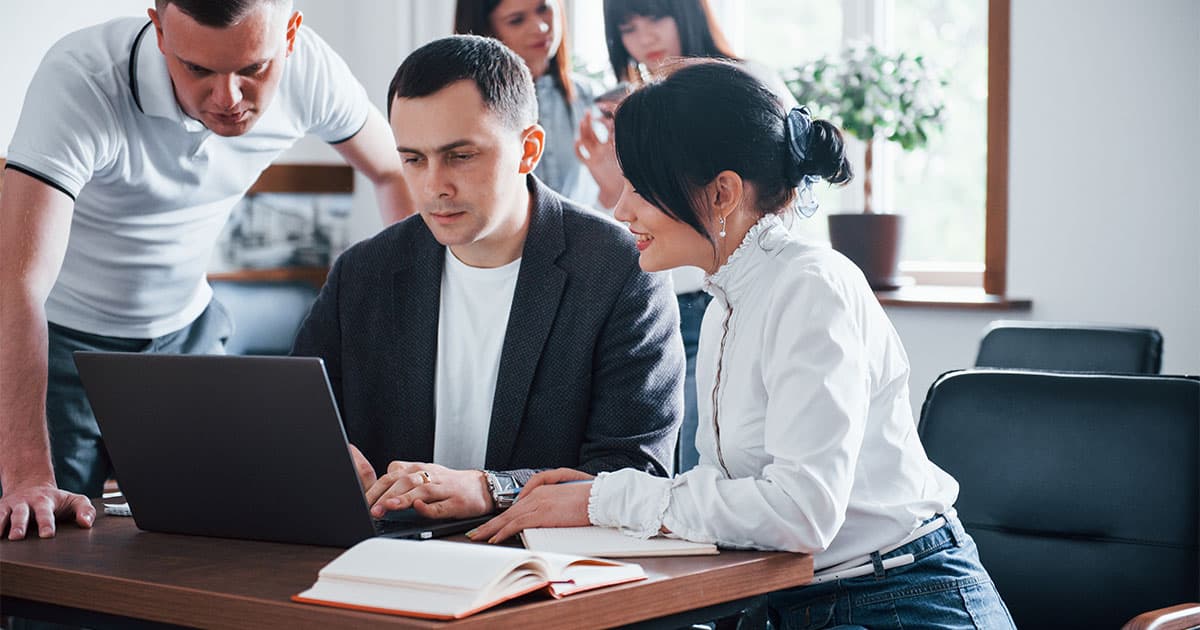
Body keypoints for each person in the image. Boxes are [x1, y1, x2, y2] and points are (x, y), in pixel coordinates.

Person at [471, 61, 1015, 628]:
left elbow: (800, 513)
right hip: (790, 597)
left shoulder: (810, 287)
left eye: (640, 187)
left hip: (899, 600)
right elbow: (736, 499)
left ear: (723, 192)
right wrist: (601, 494)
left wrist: (604, 501)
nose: (620, 208)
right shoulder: (727, 300)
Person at [0, 0, 412, 541]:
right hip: (56, 342)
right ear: (161, 31)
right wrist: (28, 474)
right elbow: (18, 285)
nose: (228, 99)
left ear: (290, 34)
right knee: (51, 548)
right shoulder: (82, 79)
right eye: (198, 70)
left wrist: (413, 315)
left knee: (214, 543)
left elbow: (391, 171)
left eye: (252, 69)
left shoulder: (312, 70)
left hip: (187, 333)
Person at [290, 34, 683, 522]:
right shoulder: (362, 273)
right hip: (385, 557)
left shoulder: (622, 272)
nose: (435, 186)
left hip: (543, 569)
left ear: (529, 150)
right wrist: (315, 457)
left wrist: (493, 489)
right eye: (413, 159)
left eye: (461, 155)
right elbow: (293, 423)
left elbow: (635, 472)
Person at [578, 0, 801, 475]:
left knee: (711, 465)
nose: (645, 38)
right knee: (686, 466)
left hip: (710, 299)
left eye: (655, 17)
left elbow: (776, 206)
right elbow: (635, 217)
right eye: (628, 28)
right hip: (674, 301)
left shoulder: (744, 86)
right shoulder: (633, 107)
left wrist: (610, 500)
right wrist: (608, 182)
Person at [454, 0, 600, 207]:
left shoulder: (592, 99)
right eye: (516, 20)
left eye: (544, 9)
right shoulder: (462, 109)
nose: (540, 27)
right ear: (485, 30)